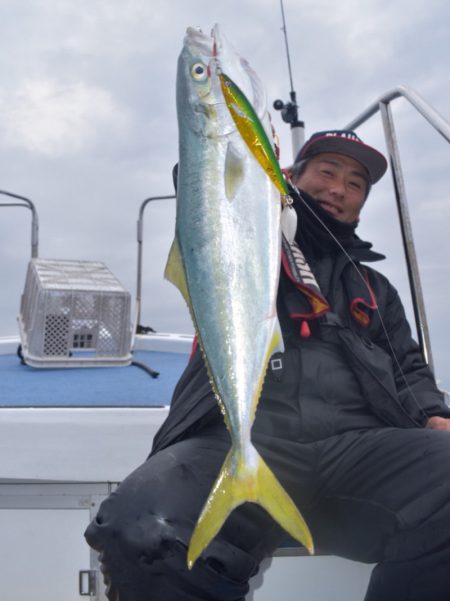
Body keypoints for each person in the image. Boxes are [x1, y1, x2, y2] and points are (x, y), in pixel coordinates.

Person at [85, 130, 450, 601]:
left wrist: (432, 413)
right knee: (137, 526)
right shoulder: (242, 240)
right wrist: (232, 155)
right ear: (290, 177)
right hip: (236, 440)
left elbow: (409, 367)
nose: (339, 188)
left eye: (355, 183)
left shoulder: (374, 288)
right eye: (327, 171)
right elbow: (208, 192)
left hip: (358, 452)